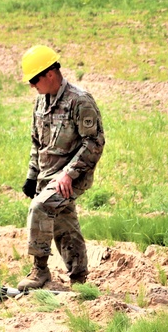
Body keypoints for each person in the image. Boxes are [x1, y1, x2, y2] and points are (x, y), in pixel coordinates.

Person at [17, 45, 105, 291]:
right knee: (64, 223)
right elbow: (38, 142)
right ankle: (79, 278)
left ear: (50, 74)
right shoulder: (40, 103)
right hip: (47, 175)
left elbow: (94, 142)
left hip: (72, 176)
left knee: (41, 208)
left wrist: (69, 173)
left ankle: (39, 270)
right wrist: (32, 176)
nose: (32, 85)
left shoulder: (80, 101)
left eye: (34, 79)